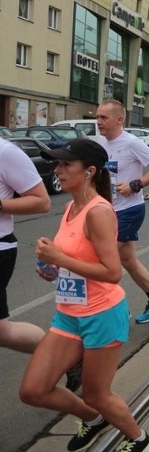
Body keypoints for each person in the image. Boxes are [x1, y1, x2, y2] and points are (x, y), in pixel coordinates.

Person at [20, 139, 149, 452]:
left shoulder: (99, 212)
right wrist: (53, 269)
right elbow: (77, 260)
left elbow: (112, 272)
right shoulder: (70, 206)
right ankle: (94, 420)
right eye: (57, 163)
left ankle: (140, 440)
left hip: (101, 315)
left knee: (96, 393)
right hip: (69, 313)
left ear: (89, 172)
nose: (58, 170)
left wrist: (60, 259)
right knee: (34, 390)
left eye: (66, 164)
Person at [96, 100, 149, 324]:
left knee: (103, 260)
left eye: (103, 118)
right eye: (97, 117)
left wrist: (134, 185)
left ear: (119, 120)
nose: (99, 122)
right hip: (109, 210)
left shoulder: (131, 143)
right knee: (128, 259)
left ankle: (114, 309)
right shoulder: (100, 142)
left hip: (129, 209)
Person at [0, 137, 67, 381]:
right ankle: (65, 356)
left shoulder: (6, 153)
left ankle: (64, 357)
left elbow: (41, 201)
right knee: (2, 331)